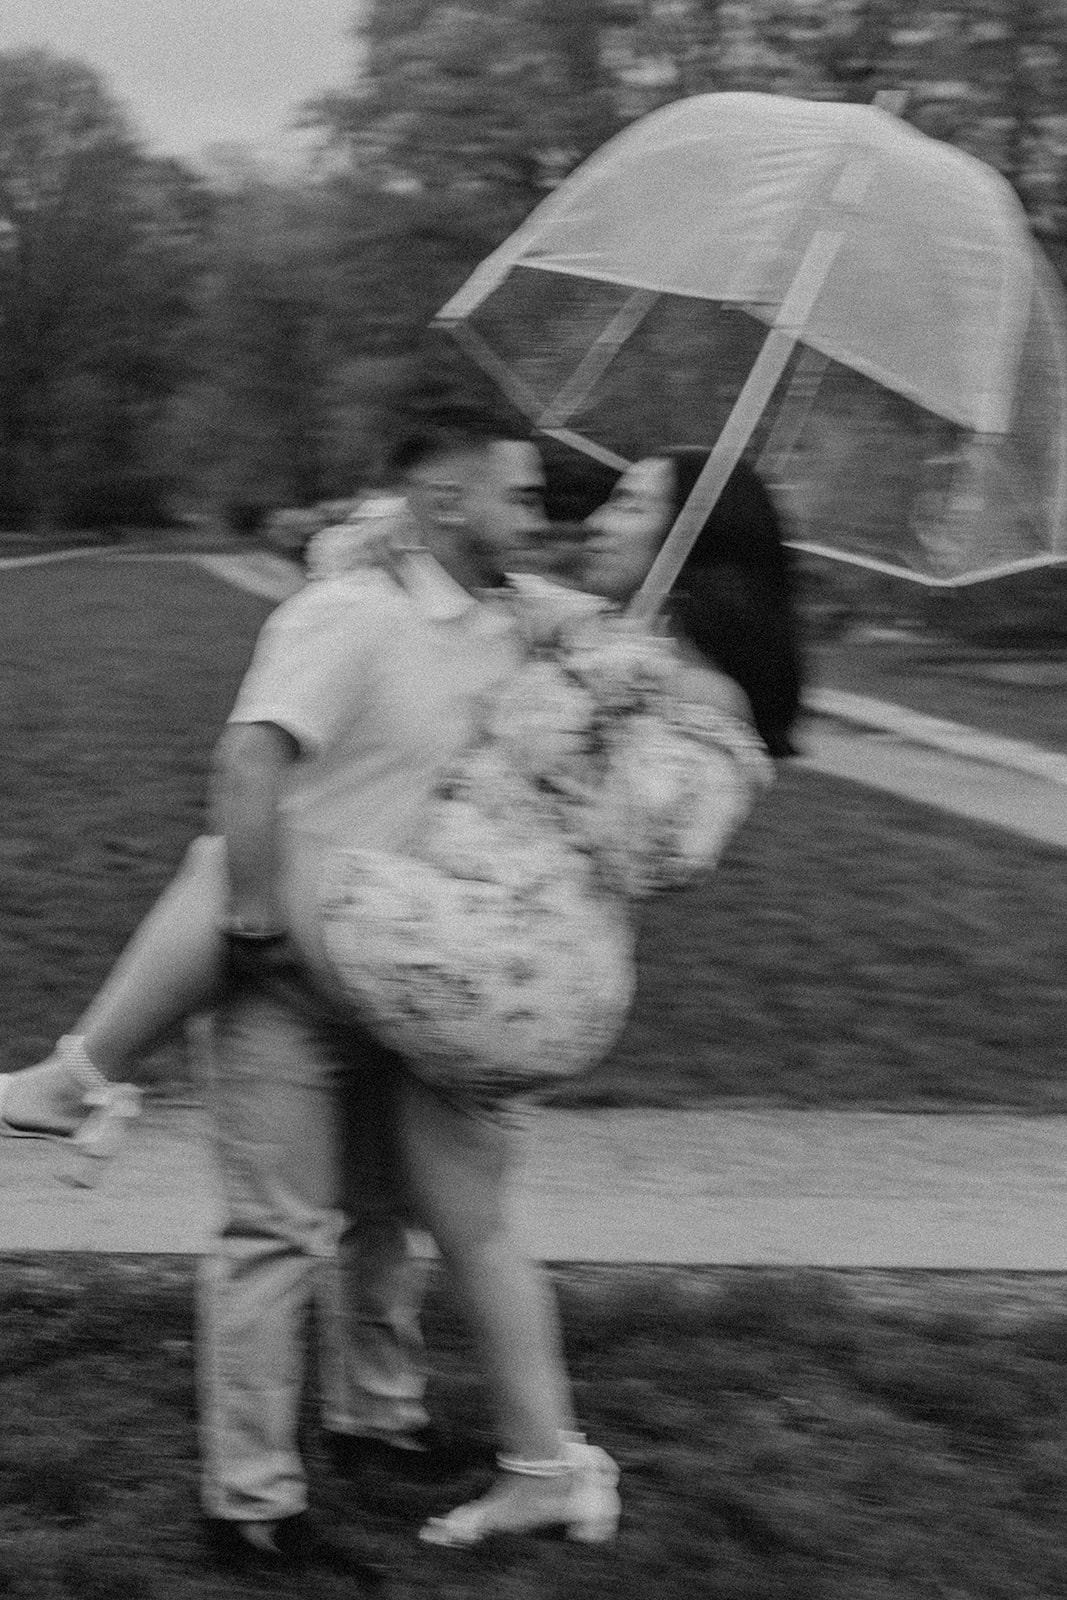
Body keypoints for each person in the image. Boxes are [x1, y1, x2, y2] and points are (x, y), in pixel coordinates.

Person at [0, 421, 773, 1558]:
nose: (577, 515)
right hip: (413, 940)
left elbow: (652, 843)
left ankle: (79, 1075)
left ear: (689, 542)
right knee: (441, 1227)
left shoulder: (670, 685)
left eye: (625, 507)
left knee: (228, 868)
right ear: (451, 506)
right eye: (539, 498)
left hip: (488, 959)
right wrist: (389, 535)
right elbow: (419, 583)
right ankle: (498, 1461)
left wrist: (628, 708)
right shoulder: (508, 615)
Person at [581, 447, 804, 759]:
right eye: (612, 502)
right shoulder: (580, 633)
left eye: (631, 507)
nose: (595, 523)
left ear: (695, 538)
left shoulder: (701, 701)